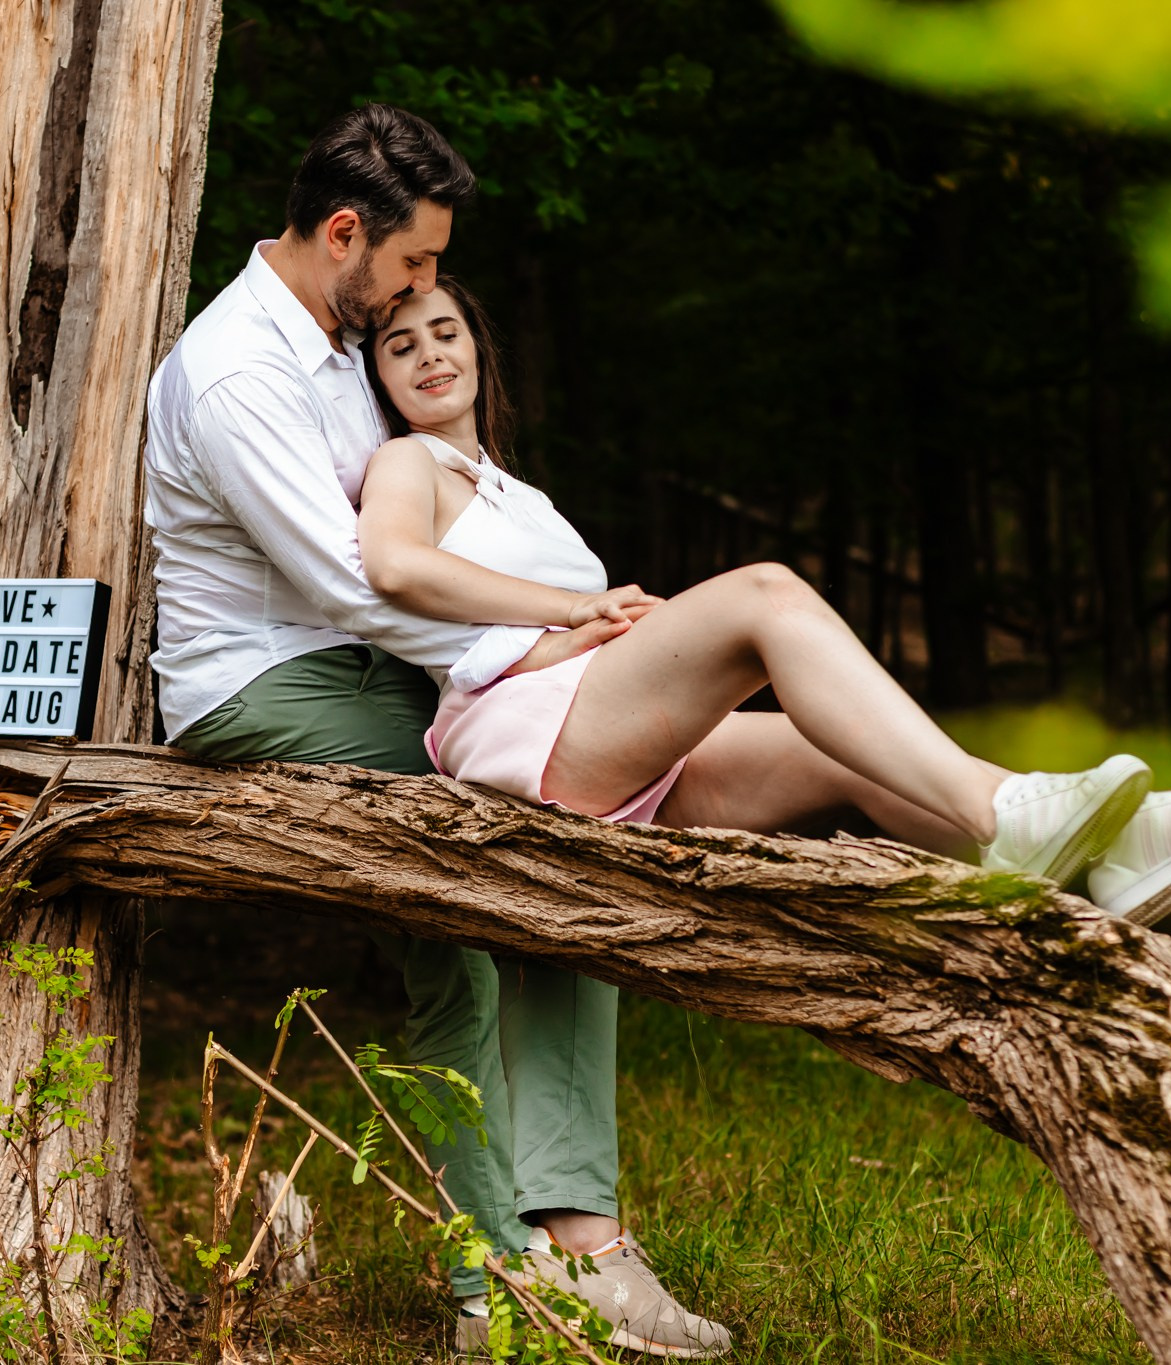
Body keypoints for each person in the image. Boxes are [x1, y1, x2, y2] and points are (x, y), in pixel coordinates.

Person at [143, 105, 724, 1359]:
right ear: (345, 232)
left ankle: (569, 1245)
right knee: (530, 823)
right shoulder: (238, 369)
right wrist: (543, 637)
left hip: (371, 670)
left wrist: (555, 636)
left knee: (552, 842)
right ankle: (502, 1279)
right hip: (262, 689)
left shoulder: (334, 344)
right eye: (411, 261)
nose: (419, 287)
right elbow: (357, 583)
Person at [356, 277, 1171, 932]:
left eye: (445, 332)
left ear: (477, 346)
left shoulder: (517, 492)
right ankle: (1011, 813)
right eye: (402, 346)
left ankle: (1119, 852)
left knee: (851, 747)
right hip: (524, 735)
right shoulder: (407, 460)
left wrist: (590, 625)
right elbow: (394, 566)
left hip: (593, 725)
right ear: (383, 382)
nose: (429, 353)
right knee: (766, 591)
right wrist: (568, 611)